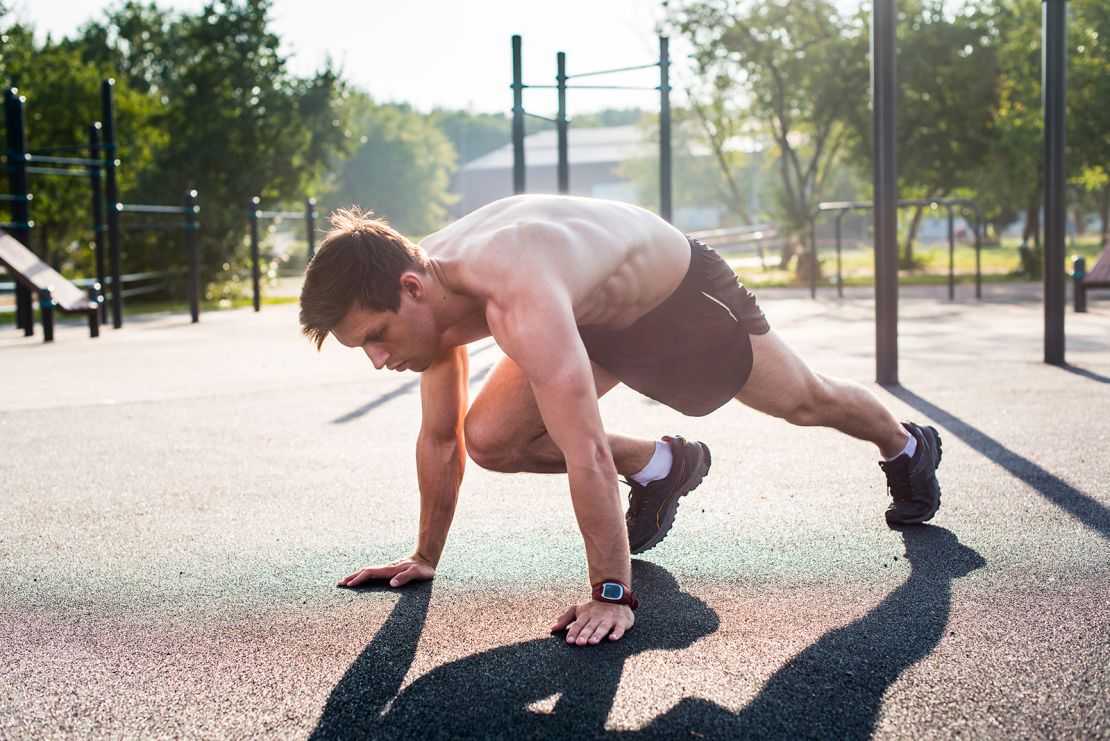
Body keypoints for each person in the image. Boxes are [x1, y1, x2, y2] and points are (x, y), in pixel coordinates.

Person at [298, 195, 943, 648]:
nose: (379, 359)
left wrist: (612, 592)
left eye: (378, 337)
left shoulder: (511, 283)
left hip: (677, 299)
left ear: (412, 287)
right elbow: (443, 439)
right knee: (491, 438)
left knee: (807, 399)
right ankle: (666, 467)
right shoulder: (425, 294)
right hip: (588, 315)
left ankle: (905, 445)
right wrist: (423, 558)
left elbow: (586, 455)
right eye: (365, 349)